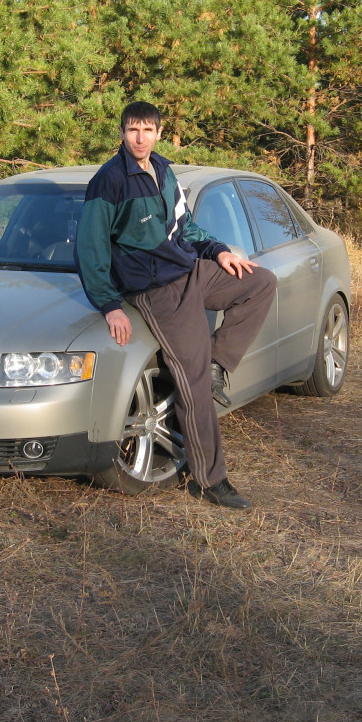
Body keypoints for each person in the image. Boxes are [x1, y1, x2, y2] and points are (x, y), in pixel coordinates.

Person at [76, 101, 277, 509]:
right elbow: (90, 249)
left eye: (148, 130)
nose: (140, 138)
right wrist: (109, 305)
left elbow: (186, 227)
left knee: (260, 282)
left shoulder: (164, 171)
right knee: (194, 382)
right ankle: (211, 479)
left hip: (190, 269)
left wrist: (219, 251)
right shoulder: (109, 182)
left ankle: (219, 362)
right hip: (157, 289)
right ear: (121, 132)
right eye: (133, 129)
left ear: (159, 133)